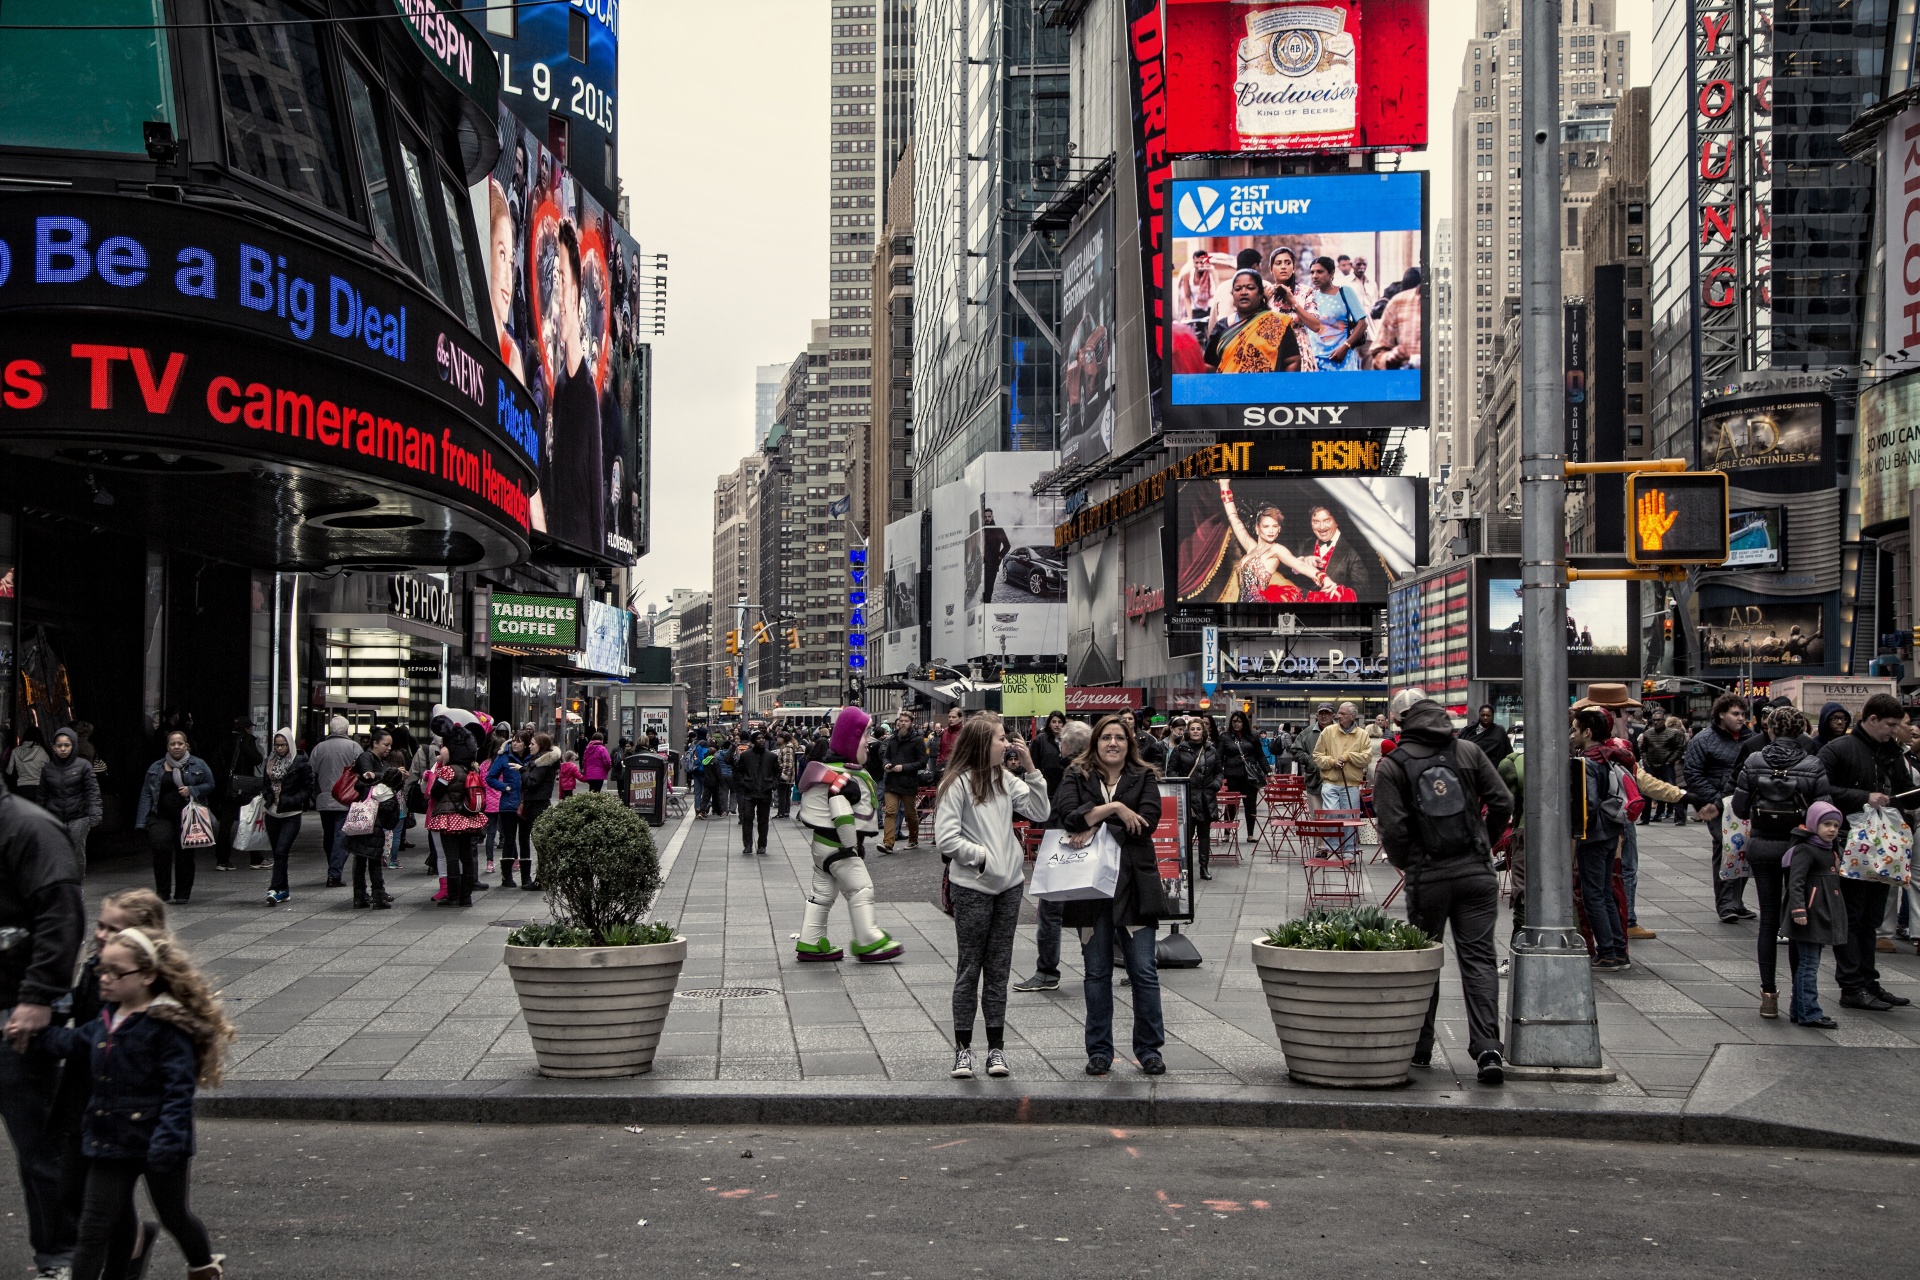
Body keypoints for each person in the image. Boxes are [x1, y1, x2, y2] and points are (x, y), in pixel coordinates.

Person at [31, 926, 234, 1280]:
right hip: (110, 1142)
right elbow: (74, 1043)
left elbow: (178, 1091)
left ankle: (203, 1266)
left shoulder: (166, 1025)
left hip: (159, 1144)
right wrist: (35, 1034)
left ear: (148, 975)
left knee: (174, 1216)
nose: (105, 979)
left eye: (116, 972)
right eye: (101, 971)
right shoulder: (106, 1021)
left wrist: (167, 1142)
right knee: (93, 1230)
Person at [1372, 688, 1511, 1083]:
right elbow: (1502, 801)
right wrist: (1484, 841)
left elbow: (1393, 828)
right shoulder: (1467, 752)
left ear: (1400, 722)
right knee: (1480, 959)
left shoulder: (1392, 764)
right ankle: (1487, 1050)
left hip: (1427, 876)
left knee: (1425, 959)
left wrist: (1408, 864)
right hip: (1475, 874)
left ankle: (1420, 1047)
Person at [52, 889, 170, 1280]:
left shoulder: (146, 989)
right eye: (100, 926)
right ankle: (135, 1239)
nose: (101, 934)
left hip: (118, 1103)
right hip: (82, 1092)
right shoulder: (94, 969)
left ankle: (123, 1262)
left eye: (113, 929)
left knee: (98, 1208)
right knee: (70, 1191)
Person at [0, 766, 86, 1279]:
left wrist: (38, 996)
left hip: (17, 1008)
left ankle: (64, 1251)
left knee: (40, 1146)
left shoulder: (28, 827)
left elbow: (60, 914)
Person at [934, 714, 1050, 1079]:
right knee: (970, 968)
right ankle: (963, 1050)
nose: (1008, 745)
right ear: (983, 744)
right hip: (973, 887)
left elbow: (1040, 811)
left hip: (1009, 887)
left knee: (999, 969)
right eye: (1002, 739)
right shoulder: (957, 784)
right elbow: (946, 839)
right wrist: (983, 858)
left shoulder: (1005, 778)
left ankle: (996, 1050)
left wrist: (1032, 770)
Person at [1053, 715, 1168, 1076]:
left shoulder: (1144, 776)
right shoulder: (1076, 773)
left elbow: (1147, 821)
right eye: (1106, 738)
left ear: (1129, 742)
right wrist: (1116, 809)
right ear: (1095, 743)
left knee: (1144, 972)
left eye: (1120, 737)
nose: (1113, 743)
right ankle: (1099, 1051)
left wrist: (1095, 824)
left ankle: (1149, 1049)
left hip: (1134, 886)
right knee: (1096, 972)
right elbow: (1067, 816)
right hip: (1090, 890)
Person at [1815, 692, 1914, 1012]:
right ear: (1871, 720)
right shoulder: (1839, 749)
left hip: (1881, 845)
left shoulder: (1890, 751)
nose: (1894, 730)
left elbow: (1902, 795)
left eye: (1897, 725)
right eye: (1889, 725)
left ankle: (1868, 981)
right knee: (1853, 916)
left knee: (1870, 917)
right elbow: (1820, 790)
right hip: (1848, 843)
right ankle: (1851, 985)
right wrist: (1863, 796)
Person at [1730, 704, 1828, 1019]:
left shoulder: (1754, 760)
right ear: (1801, 732)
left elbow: (1740, 809)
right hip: (1799, 849)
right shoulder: (1814, 764)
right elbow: (1822, 814)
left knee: (1768, 920)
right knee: (1799, 922)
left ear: (1770, 729)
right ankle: (1800, 1001)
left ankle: (1768, 995)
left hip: (1762, 846)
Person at [793, 707, 903, 963]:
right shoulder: (845, 777)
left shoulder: (831, 768)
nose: (869, 741)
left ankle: (810, 941)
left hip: (822, 847)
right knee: (861, 889)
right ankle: (869, 940)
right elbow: (840, 809)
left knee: (821, 896)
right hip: (838, 846)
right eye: (865, 735)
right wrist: (851, 846)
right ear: (852, 738)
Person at [1013, 720, 1091, 996]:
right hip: (1081, 847)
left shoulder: (1073, 771)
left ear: (1069, 745)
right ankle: (1097, 966)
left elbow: (1061, 810)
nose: (1059, 744)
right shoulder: (1091, 768)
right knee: (1087, 911)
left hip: (1064, 846)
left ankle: (1047, 971)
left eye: (1062, 741)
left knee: (1050, 911)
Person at [1683, 693, 1755, 922]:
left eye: (1743, 714)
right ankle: (1725, 904)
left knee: (1745, 851)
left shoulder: (1750, 739)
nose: (1740, 718)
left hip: (1745, 803)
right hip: (1719, 805)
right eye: (1735, 713)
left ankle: (1737, 901)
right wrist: (1715, 800)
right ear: (1721, 714)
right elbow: (1693, 773)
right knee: (1726, 850)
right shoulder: (1704, 740)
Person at [1570, 708, 1631, 971]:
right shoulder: (1607, 757)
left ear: (1588, 732)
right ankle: (1618, 951)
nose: (1572, 735)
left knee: (1593, 895)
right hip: (1611, 832)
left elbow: (1589, 803)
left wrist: (1575, 827)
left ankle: (1606, 953)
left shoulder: (1588, 762)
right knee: (1605, 893)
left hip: (1593, 836)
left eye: (1575, 729)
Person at [1785, 801, 1848, 1029]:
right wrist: (1799, 909)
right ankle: (1810, 1012)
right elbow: (1796, 881)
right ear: (1814, 824)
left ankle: (1798, 1010)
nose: (1832, 829)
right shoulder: (1806, 848)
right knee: (1809, 965)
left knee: (1809, 963)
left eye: (1835, 825)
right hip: (1810, 914)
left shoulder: (1829, 848)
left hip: (1822, 913)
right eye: (1826, 824)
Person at [134, 732, 214, 906]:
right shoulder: (156, 767)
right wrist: (142, 821)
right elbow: (146, 793)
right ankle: (162, 892)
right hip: (161, 816)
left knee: (185, 855)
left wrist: (192, 790)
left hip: (188, 817)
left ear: (186, 745)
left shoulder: (198, 764)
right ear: (167, 746)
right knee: (160, 849)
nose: (176, 747)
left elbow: (210, 784)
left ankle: (182, 894)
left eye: (179, 743)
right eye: (172, 744)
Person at [1213, 478, 1323, 602]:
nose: (1271, 531)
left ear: (1279, 529)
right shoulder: (1250, 547)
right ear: (1257, 528)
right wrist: (1224, 486)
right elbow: (1234, 518)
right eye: (1266, 526)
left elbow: (1299, 565)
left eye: (1275, 526)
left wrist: (1322, 577)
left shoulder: (1276, 549)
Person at [424, 715, 488, 908]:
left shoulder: (447, 771)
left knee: (451, 857)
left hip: (449, 818)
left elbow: (435, 792)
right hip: (468, 818)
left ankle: (453, 895)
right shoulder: (471, 770)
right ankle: (466, 896)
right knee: (467, 856)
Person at [1204, 268, 1299, 373]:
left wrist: (1282, 387)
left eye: (1250, 288)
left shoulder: (1277, 323)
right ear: (1233, 295)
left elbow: (1292, 361)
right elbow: (1210, 364)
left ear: (1260, 293)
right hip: (1229, 388)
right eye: (1238, 289)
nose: (1243, 292)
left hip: (1265, 388)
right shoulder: (1222, 327)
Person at [1166, 716, 1222, 881]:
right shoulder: (1179, 749)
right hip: (1188, 797)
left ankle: (1204, 868)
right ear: (1188, 732)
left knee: (1204, 835)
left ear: (1203, 731)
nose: (1196, 731)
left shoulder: (1211, 750)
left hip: (1206, 798)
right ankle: (1185, 868)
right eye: (1193, 729)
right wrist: (1184, 783)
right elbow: (1171, 771)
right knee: (1186, 836)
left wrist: (1216, 784)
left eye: (1198, 729)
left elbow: (1219, 771)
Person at [260, 729, 313, 906]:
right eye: (277, 745)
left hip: (291, 813)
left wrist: (293, 800)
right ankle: (284, 890)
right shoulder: (269, 761)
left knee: (282, 850)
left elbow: (307, 788)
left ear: (290, 744)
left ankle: (274, 888)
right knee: (277, 853)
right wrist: (267, 797)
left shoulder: (300, 763)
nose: (280, 748)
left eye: (283, 745)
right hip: (272, 812)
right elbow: (265, 784)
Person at [41, 728, 101, 881]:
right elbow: (42, 795)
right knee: (55, 851)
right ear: (53, 747)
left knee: (76, 852)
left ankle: (76, 885)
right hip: (54, 816)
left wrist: (95, 815)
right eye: (59, 745)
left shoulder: (83, 766)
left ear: (73, 745)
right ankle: (59, 886)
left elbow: (92, 791)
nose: (62, 749)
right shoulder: (48, 769)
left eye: (66, 745)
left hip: (79, 816)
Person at [308, 716, 361, 889]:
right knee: (341, 836)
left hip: (324, 798)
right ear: (346, 730)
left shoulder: (318, 748)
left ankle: (333, 867)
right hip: (345, 799)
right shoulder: (353, 747)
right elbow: (362, 770)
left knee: (329, 835)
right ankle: (334, 873)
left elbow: (311, 773)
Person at [1312, 702, 1371, 853]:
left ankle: (1349, 851)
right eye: (1339, 713)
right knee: (1331, 816)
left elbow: (1366, 758)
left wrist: (1348, 757)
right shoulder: (1328, 732)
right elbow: (1317, 756)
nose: (1339, 716)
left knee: (1350, 818)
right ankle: (1332, 849)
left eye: (1343, 714)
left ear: (1352, 716)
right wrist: (1332, 762)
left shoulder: (1362, 734)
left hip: (1351, 783)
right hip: (1330, 781)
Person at [1297, 256, 1369, 370]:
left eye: (1320, 272)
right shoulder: (1309, 296)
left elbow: (1362, 323)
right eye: (1312, 272)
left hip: (1341, 358)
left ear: (1331, 274)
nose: (1315, 276)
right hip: (1315, 360)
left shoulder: (1345, 292)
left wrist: (1346, 347)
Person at [345, 768, 402, 910]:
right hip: (376, 834)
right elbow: (391, 823)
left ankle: (359, 898)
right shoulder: (391, 797)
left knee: (359, 864)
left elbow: (357, 785)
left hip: (360, 829)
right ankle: (378, 898)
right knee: (375, 866)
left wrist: (370, 777)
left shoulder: (370, 789)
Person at [212, 719, 263, 872]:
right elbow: (257, 758)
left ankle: (222, 860)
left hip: (228, 788)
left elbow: (216, 762)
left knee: (226, 824)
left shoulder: (224, 740)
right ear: (247, 728)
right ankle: (256, 858)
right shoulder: (247, 740)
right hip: (244, 787)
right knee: (251, 820)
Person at [513, 735, 561, 893]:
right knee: (540, 844)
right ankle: (542, 878)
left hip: (538, 806)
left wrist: (522, 771)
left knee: (540, 844)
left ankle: (543, 879)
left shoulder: (542, 763)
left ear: (541, 746)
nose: (530, 746)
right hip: (535, 804)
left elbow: (532, 783)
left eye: (533, 744)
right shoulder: (539, 761)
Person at [879, 711, 927, 852]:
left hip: (908, 782)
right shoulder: (893, 738)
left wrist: (904, 767)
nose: (903, 723)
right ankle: (888, 843)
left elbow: (922, 762)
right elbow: (886, 756)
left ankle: (913, 839)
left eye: (906, 721)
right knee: (890, 811)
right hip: (892, 780)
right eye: (901, 720)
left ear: (911, 722)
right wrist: (886, 764)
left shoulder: (917, 740)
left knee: (910, 813)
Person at [1219, 710, 1269, 842]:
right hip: (1232, 775)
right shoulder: (1225, 736)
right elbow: (1219, 757)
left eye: (1239, 721)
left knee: (1250, 804)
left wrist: (1268, 772)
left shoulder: (1253, 735)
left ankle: (1250, 834)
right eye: (1234, 721)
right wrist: (1218, 774)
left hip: (1250, 776)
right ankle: (1227, 833)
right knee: (1230, 805)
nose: (1236, 724)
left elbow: (1260, 756)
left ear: (1244, 722)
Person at [487, 737, 527, 887]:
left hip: (526, 803)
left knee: (524, 839)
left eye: (519, 741)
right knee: (509, 839)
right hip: (509, 804)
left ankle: (526, 876)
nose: (515, 744)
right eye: (513, 741)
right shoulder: (504, 757)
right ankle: (507, 876)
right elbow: (490, 777)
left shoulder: (531, 757)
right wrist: (505, 787)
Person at [1638, 707, 1689, 824]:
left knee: (1673, 790)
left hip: (1666, 765)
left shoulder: (1673, 733)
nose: (1656, 722)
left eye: (1659, 720)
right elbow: (1643, 749)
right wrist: (1646, 762)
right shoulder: (1648, 733)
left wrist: (1670, 761)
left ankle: (1680, 818)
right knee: (1646, 791)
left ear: (1664, 720)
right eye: (1654, 720)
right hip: (1651, 765)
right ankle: (1645, 818)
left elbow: (1680, 748)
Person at [735, 730, 780, 857]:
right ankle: (748, 845)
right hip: (749, 792)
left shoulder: (771, 756)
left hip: (765, 792)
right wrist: (743, 784)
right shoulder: (746, 756)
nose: (761, 740)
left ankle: (762, 845)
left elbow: (777, 771)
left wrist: (773, 784)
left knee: (763, 820)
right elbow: (738, 771)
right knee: (747, 818)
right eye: (758, 738)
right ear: (753, 740)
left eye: (763, 738)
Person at [7, 726, 49, 805]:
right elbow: (49, 771)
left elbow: (9, 771)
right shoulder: (43, 751)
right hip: (38, 788)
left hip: (21, 789)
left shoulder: (15, 751)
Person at [775, 730, 799, 820]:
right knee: (785, 794)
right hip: (788, 776)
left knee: (782, 795)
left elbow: (787, 764)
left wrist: (783, 775)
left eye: (778, 737)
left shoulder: (787, 749)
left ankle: (782, 812)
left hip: (785, 776)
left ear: (782, 738)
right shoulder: (788, 747)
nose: (777, 739)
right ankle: (784, 812)